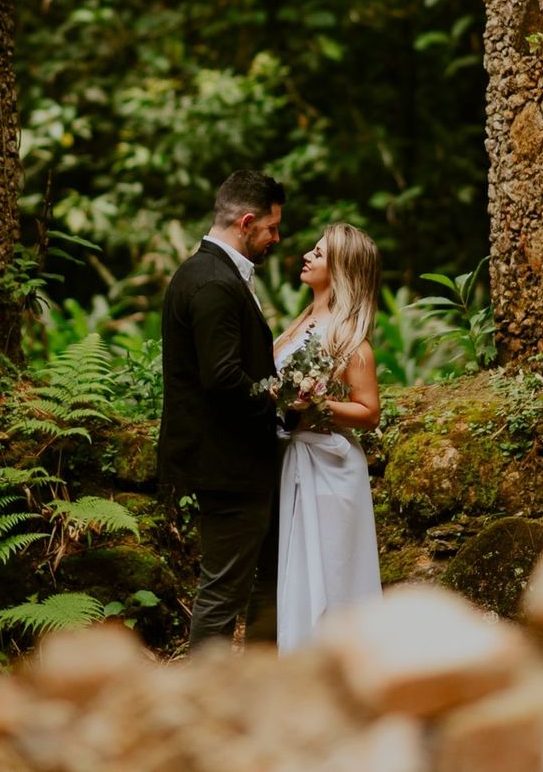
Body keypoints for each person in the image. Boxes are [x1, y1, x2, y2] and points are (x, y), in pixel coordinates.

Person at [157, 169, 287, 649]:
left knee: (266, 581)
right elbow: (223, 378)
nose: (276, 238)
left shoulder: (213, 273)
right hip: (227, 466)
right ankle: (201, 698)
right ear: (247, 221)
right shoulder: (212, 282)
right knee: (222, 592)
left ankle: (254, 685)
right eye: (272, 228)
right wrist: (283, 394)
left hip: (240, 463)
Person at [271, 222, 383, 652]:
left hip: (332, 466)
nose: (306, 256)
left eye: (318, 254)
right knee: (298, 568)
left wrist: (317, 403)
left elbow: (369, 412)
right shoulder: (298, 325)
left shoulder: (349, 336)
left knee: (335, 571)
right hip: (294, 459)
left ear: (341, 268)